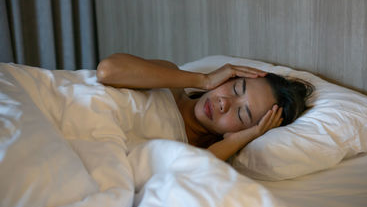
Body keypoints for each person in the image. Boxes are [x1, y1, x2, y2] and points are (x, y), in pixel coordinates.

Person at [96, 53, 313, 161]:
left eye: (241, 114)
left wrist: (247, 137)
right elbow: (108, 71)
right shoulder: (170, 80)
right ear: (229, 77)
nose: (224, 103)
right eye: (236, 88)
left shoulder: (198, 156)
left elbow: (185, 176)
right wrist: (203, 80)